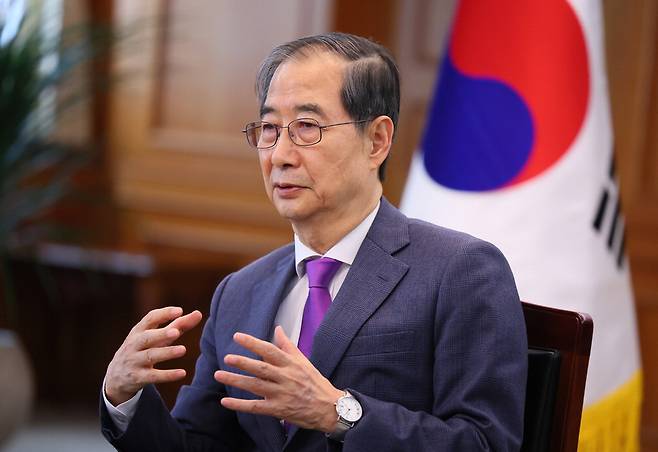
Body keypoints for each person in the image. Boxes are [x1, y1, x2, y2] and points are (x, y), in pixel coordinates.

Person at [100, 32, 527, 451]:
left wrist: (337, 413)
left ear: (377, 140)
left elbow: (485, 442)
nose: (280, 155)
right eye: (270, 128)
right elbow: (200, 444)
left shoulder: (459, 271)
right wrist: (123, 398)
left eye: (307, 127)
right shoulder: (240, 291)